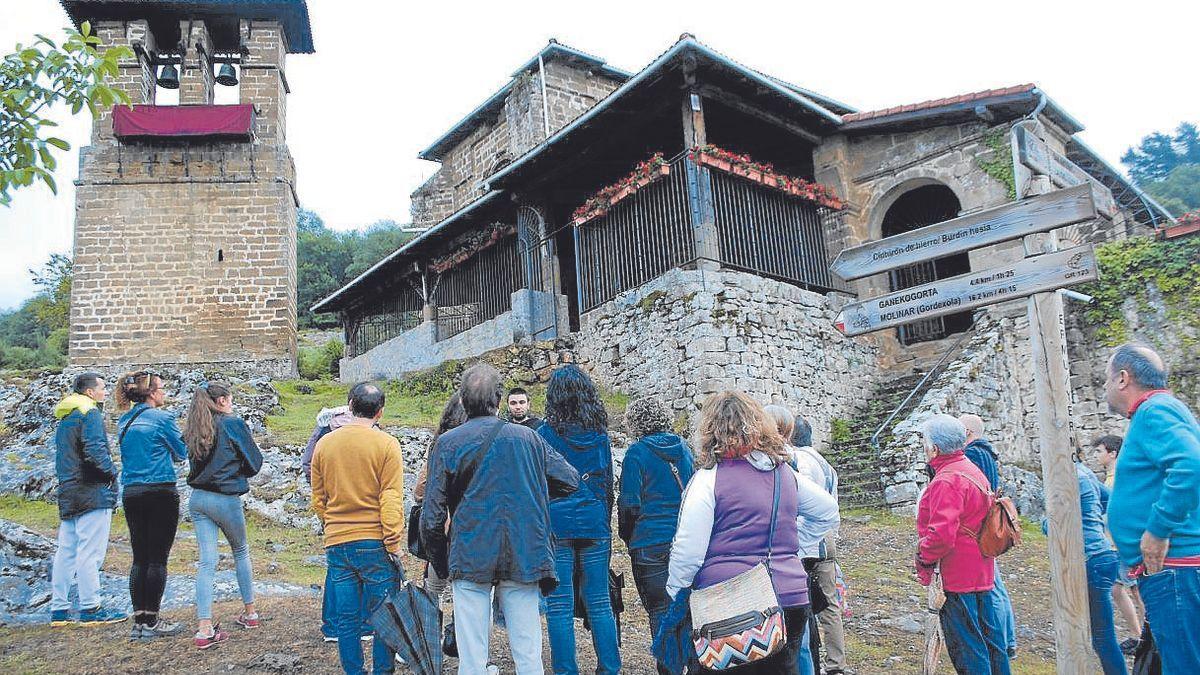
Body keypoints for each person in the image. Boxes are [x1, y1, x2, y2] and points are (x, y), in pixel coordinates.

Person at [422, 363, 580, 674]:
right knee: (528, 650)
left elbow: (432, 517)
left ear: (464, 401)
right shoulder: (529, 438)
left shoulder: (447, 443)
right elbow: (569, 480)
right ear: (499, 399)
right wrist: (530, 497)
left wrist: (442, 562)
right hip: (523, 548)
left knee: (472, 655)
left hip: (470, 550)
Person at [668, 392, 838, 675]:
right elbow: (828, 511)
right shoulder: (784, 474)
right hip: (790, 596)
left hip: (731, 603)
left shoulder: (709, 480)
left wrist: (677, 592)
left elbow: (688, 551)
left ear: (711, 431)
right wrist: (796, 548)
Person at [1104, 343, 1200, 672]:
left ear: (1122, 379)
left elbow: (1190, 465)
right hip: (1175, 570)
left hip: (1175, 569)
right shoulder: (1159, 410)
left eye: (1106, 378)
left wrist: (1157, 530)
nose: (1104, 387)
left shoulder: (1154, 410)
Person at [311, 382, 406, 675]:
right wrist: (393, 542)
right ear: (380, 412)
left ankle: (354, 671)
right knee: (383, 615)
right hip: (375, 540)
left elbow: (318, 497)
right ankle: (381, 671)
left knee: (347, 618)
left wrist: (332, 523)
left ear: (350, 405)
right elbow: (390, 498)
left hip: (337, 542)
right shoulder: (387, 444)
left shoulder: (325, 444)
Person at [538, 364, 621, 675]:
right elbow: (607, 485)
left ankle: (566, 670)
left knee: (559, 605)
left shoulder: (543, 435)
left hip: (557, 525)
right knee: (600, 602)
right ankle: (610, 668)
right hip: (594, 522)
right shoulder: (599, 437)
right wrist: (604, 522)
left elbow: (539, 486)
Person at [914, 414, 1010, 675]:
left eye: (925, 441)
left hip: (958, 574)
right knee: (991, 643)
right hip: (980, 568)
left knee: (968, 648)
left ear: (934, 448)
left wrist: (923, 556)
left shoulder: (948, 479)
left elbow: (942, 534)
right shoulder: (969, 468)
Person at [184, 381, 264, 649]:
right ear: (222, 401)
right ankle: (250, 612)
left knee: (207, 562)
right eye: (229, 400)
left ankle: (204, 628)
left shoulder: (195, 426)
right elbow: (255, 462)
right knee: (240, 551)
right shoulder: (232, 424)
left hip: (198, 499)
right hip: (225, 498)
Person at [617, 397, 694, 675]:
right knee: (687, 608)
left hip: (649, 542)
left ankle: (670, 669)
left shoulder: (636, 453)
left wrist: (628, 536)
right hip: (684, 538)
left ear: (635, 422)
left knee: (660, 612)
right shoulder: (684, 449)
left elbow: (629, 503)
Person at [49, 372, 127, 626]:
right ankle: (90, 607)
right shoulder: (90, 413)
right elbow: (95, 449)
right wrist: (111, 474)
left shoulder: (66, 416)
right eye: (103, 388)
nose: (106, 393)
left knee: (66, 550)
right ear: (90, 392)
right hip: (91, 489)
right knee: (90, 552)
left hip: (69, 488)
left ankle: (59, 609)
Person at [115, 371, 187, 639]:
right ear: (153, 393)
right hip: (160, 489)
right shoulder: (163, 418)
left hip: (131, 490)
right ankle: (153, 620)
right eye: (162, 388)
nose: (165, 393)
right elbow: (181, 453)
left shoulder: (124, 420)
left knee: (140, 557)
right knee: (158, 558)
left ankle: (139, 620)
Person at [1041, 450, 1127, 674]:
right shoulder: (1085, 472)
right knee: (1101, 634)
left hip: (1087, 558)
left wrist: (1045, 522)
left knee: (1100, 635)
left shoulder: (1068, 478)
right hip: (1103, 554)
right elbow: (1109, 499)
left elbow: (1055, 525)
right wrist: (1094, 522)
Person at [302, 398, 373, 644]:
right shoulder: (375, 433)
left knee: (337, 570)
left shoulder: (325, 428)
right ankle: (364, 625)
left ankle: (334, 626)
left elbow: (308, 465)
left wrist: (325, 506)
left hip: (334, 514)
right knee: (367, 569)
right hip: (367, 515)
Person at [783, 411, 848, 675]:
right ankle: (836, 663)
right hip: (826, 535)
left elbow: (803, 502)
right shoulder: (826, 464)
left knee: (805, 603)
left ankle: (812, 661)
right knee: (830, 604)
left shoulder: (800, 461)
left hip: (810, 540)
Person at [958, 413, 1017, 658]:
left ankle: (1003, 641)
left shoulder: (972, 455)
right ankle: (1008, 638)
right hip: (987, 528)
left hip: (979, 529)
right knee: (995, 585)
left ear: (968, 433)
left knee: (992, 586)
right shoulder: (988, 454)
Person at [1091, 433, 1144, 653]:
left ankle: (1144, 636)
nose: (1096, 455)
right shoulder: (1113, 478)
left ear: (1112, 453)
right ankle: (1139, 634)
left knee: (1133, 590)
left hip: (1121, 543)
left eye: (1099, 451)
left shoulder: (1118, 478)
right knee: (1122, 589)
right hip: (1117, 543)